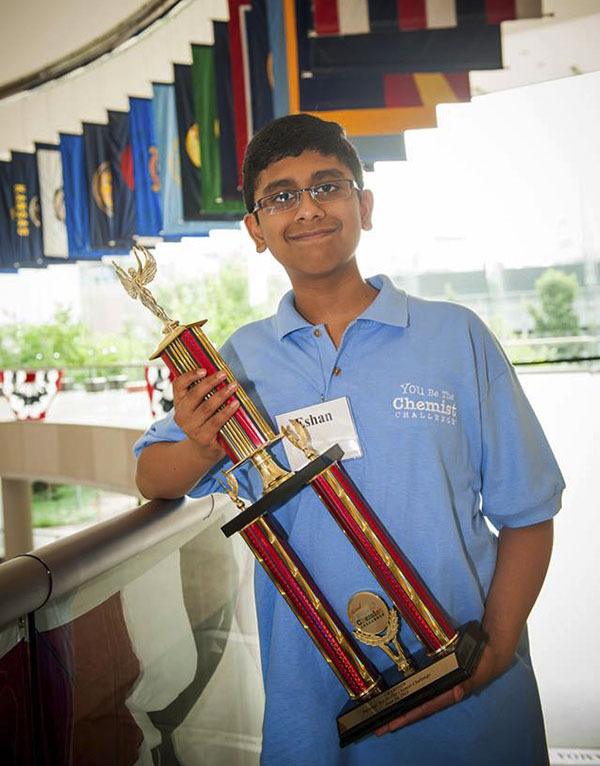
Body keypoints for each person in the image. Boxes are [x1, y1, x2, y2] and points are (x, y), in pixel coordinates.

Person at [134, 114, 565, 766]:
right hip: (315, 717)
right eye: (281, 195)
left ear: (364, 205)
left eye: (328, 186)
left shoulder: (455, 336)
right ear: (256, 229)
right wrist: (203, 442)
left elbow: (529, 515)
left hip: (471, 705)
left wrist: (495, 652)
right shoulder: (240, 360)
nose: (307, 207)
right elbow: (152, 476)